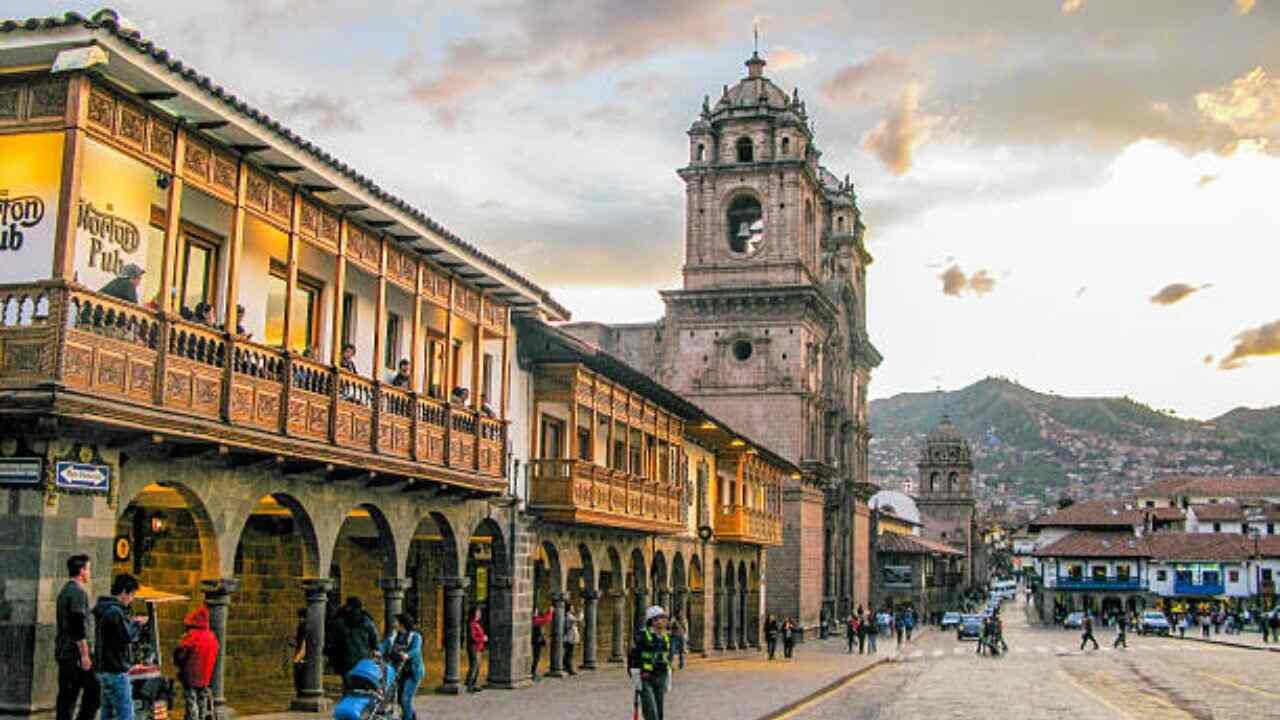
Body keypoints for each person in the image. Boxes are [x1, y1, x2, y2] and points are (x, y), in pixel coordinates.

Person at [93, 574, 148, 720]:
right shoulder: (115, 612)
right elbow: (126, 637)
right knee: (126, 715)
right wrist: (138, 624)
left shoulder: (104, 608)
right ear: (124, 592)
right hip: (116, 670)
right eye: (131, 594)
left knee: (107, 713)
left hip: (103, 669)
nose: (131, 599)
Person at [56, 555, 99, 720]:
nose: (89, 573)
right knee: (93, 693)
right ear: (81, 571)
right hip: (75, 654)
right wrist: (85, 655)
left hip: (66, 652)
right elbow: (77, 624)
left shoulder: (66, 591)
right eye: (88, 569)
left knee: (67, 698)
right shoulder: (77, 592)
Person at [173, 606, 218, 720]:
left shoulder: (192, 636)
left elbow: (181, 653)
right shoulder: (212, 636)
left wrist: (178, 663)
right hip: (205, 676)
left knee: (191, 700)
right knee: (201, 699)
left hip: (190, 675)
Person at [628, 606, 672, 720]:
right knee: (651, 711)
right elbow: (633, 656)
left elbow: (666, 657)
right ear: (653, 620)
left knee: (659, 709)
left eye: (664, 618)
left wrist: (669, 673)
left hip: (661, 676)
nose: (664, 620)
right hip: (646, 677)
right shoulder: (642, 636)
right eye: (661, 618)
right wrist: (635, 674)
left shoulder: (666, 636)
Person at [378, 613, 423, 720]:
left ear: (402, 624)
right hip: (399, 671)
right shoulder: (394, 635)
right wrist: (378, 651)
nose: (394, 623)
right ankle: (411, 716)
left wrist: (408, 655)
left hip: (413, 673)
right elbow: (384, 645)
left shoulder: (415, 636)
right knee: (400, 701)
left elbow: (416, 650)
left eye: (396, 622)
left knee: (405, 699)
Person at [334, 597, 379, 690]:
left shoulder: (340, 620)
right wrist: (375, 649)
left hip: (345, 658)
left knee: (348, 686)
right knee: (362, 684)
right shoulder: (367, 620)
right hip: (363, 657)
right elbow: (374, 637)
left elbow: (334, 641)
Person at [466, 607, 487, 693]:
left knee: (477, 666)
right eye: (477, 613)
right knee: (474, 666)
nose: (479, 615)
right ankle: (469, 685)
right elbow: (472, 637)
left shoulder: (477, 624)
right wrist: (483, 638)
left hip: (479, 648)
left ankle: (473, 684)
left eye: (479, 613)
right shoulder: (472, 624)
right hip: (474, 648)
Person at [530, 606, 553, 681]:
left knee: (537, 658)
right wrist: (550, 612)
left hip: (537, 641)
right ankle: (533, 673)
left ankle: (534, 672)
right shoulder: (535, 620)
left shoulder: (536, 619)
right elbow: (546, 620)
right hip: (536, 641)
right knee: (536, 658)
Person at [290, 608, 307, 696]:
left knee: (300, 678)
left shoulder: (304, 627)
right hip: (301, 653)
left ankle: (301, 694)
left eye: (301, 617)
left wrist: (297, 659)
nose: (299, 619)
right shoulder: (302, 626)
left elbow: (304, 644)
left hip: (302, 656)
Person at [562, 602, 580, 675]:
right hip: (569, 637)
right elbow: (578, 619)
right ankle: (569, 668)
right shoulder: (569, 616)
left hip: (569, 637)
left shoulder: (568, 615)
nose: (573, 608)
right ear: (569, 609)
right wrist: (581, 612)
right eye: (572, 607)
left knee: (568, 653)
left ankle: (566, 666)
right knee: (569, 653)